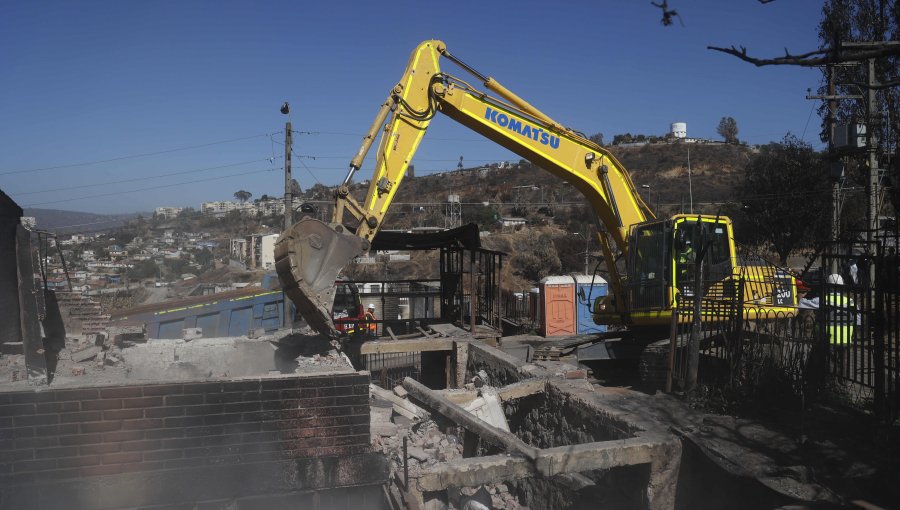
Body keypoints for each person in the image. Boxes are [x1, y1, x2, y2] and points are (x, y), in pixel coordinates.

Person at [824, 274, 855, 346]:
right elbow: (858, 319)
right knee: (844, 357)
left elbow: (803, 304)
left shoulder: (823, 299)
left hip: (830, 339)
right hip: (846, 339)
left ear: (829, 286)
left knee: (829, 357)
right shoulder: (850, 301)